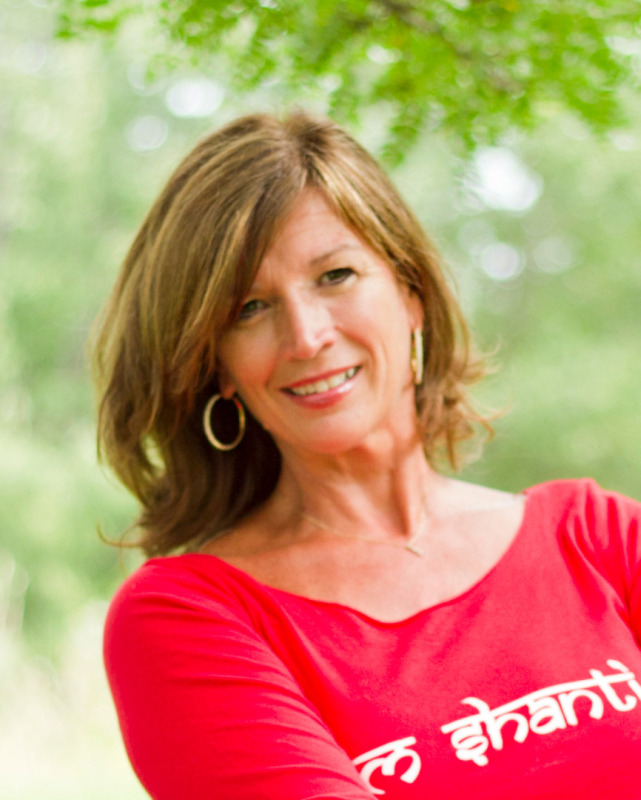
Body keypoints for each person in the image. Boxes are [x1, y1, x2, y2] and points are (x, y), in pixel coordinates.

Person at [95, 111, 641, 800]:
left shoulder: (597, 539)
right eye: (249, 308)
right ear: (217, 364)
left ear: (411, 294)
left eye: (335, 275)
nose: (306, 336)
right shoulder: (190, 618)